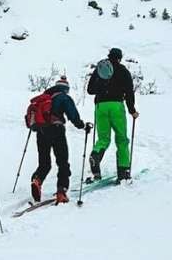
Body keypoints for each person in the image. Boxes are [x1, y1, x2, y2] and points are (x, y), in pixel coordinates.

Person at [29, 77, 88, 203]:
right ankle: (61, 192)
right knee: (62, 162)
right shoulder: (63, 97)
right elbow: (73, 115)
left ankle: (37, 180)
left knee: (44, 163)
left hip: (41, 131)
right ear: (66, 89)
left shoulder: (44, 97)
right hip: (57, 130)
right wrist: (82, 125)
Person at [87, 48, 139, 183]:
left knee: (103, 138)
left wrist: (102, 88)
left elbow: (90, 90)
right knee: (121, 139)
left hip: (100, 107)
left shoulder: (100, 69)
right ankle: (123, 172)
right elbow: (129, 92)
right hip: (116, 106)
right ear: (120, 58)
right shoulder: (123, 70)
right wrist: (132, 110)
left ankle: (95, 156)